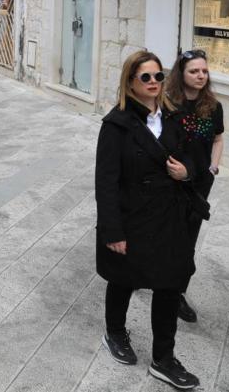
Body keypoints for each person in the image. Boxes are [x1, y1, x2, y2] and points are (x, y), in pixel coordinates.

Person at [96, 51, 201, 390]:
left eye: (158, 76)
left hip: (169, 217)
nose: (154, 82)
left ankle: (164, 359)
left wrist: (186, 171)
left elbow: (192, 157)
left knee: (169, 285)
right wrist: (112, 231)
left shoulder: (174, 116)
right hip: (132, 217)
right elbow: (105, 182)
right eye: (146, 77)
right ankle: (115, 332)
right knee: (123, 279)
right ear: (130, 82)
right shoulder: (116, 125)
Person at [165, 48, 224, 323]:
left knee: (188, 237)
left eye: (204, 71)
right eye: (194, 71)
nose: (201, 76)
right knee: (163, 232)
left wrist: (213, 167)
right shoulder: (167, 104)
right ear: (181, 74)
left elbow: (218, 139)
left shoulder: (213, 106)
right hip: (169, 182)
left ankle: (177, 293)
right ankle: (149, 274)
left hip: (199, 184)